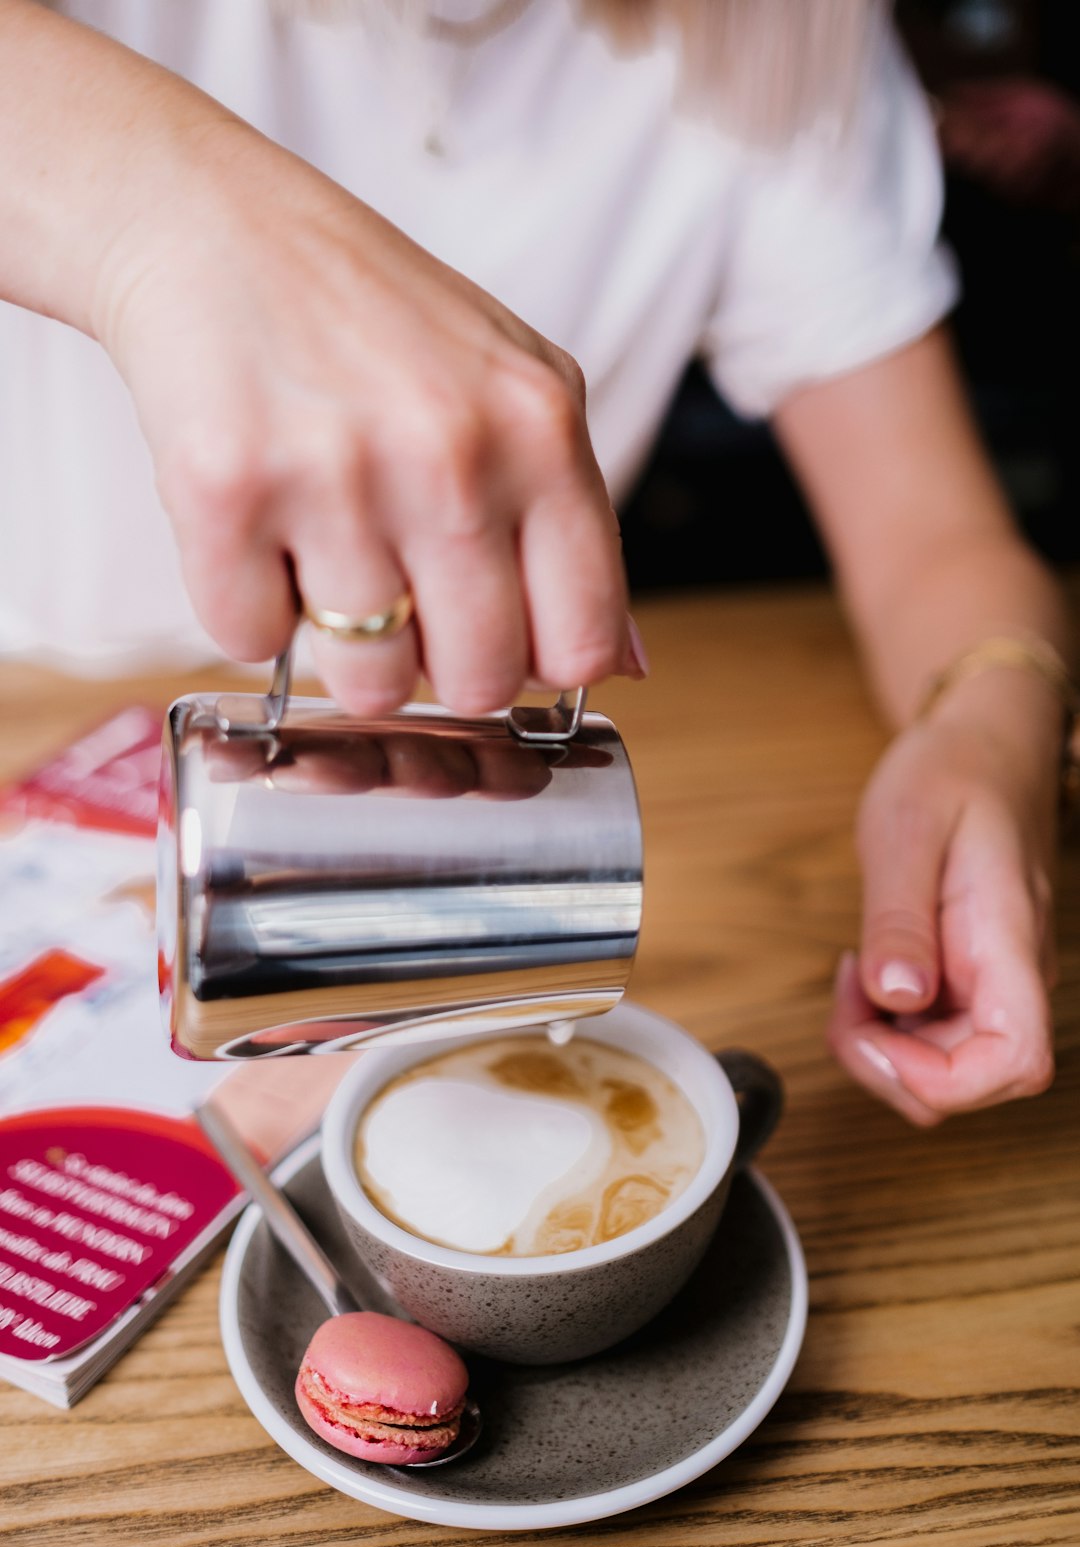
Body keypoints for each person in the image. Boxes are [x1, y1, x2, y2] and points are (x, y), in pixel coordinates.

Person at [0, 0, 1071, 1126]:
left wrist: (990, 728)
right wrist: (176, 213)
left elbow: (936, 538)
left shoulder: (779, 36)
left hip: (380, 851)